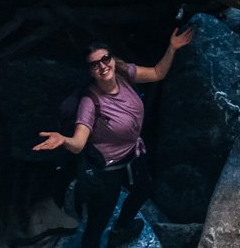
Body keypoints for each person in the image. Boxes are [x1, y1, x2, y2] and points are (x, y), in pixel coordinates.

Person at [33, 27, 195, 247]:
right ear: (90, 71)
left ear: (112, 58)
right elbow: (79, 143)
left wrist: (172, 48)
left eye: (105, 59)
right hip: (107, 169)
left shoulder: (123, 73)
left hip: (133, 153)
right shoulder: (90, 102)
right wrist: (64, 140)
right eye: (94, 64)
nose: (102, 66)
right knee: (98, 223)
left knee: (144, 189)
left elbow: (157, 73)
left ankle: (122, 228)